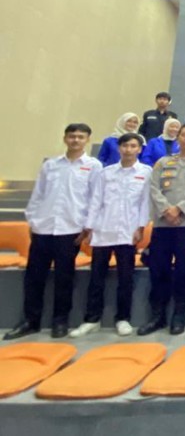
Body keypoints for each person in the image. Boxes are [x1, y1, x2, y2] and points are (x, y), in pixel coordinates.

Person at [4, 124, 100, 341]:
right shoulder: (51, 165)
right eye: (72, 136)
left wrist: (87, 226)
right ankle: (30, 321)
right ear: (65, 138)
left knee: (64, 278)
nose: (76, 140)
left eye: (80, 137)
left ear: (87, 140)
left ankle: (60, 321)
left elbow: (95, 199)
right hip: (44, 227)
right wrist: (33, 221)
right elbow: (38, 194)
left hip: (71, 229)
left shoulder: (93, 167)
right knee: (34, 277)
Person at [70, 133, 151, 338]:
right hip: (103, 231)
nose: (128, 150)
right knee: (96, 278)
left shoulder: (146, 172)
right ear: (119, 148)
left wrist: (141, 227)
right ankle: (92, 319)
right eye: (125, 146)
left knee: (125, 278)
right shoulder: (106, 173)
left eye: (133, 146)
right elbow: (96, 201)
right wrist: (89, 227)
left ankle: (123, 318)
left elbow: (145, 203)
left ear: (139, 149)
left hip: (128, 232)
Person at [138, 124, 185, 336]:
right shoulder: (163, 162)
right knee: (158, 270)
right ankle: (157, 316)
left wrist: (179, 209)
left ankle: (179, 315)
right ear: (178, 138)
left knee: (183, 271)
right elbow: (154, 188)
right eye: (184, 134)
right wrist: (166, 210)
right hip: (162, 224)